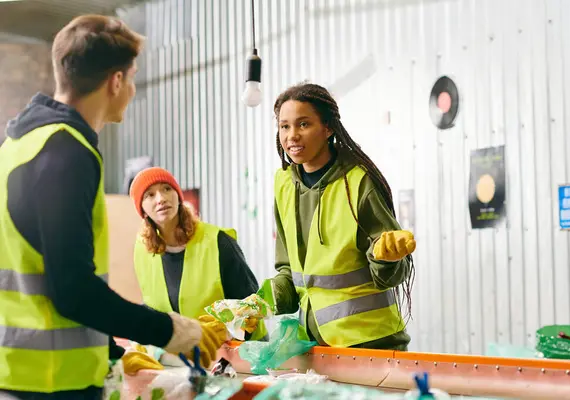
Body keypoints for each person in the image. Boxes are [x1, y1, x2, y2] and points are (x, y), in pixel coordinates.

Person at [0, 15, 222, 400]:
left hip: (19, 372)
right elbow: (72, 288)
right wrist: (169, 331)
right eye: (132, 76)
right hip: (52, 382)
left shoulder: (19, 146)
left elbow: (39, 268)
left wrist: (113, 352)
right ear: (115, 81)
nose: (132, 88)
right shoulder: (66, 152)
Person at [268, 82, 417, 350]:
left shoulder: (359, 182)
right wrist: (266, 299)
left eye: (303, 124)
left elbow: (393, 274)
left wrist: (387, 258)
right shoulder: (283, 184)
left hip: (371, 344)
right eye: (284, 126)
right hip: (315, 347)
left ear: (328, 128)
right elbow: (288, 269)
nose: (292, 135)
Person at [129, 167, 267, 341]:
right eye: (150, 194)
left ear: (178, 196)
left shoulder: (219, 242)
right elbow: (152, 308)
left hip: (238, 355)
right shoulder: (143, 251)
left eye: (166, 188)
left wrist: (223, 331)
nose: (161, 199)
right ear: (141, 208)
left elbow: (252, 306)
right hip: (180, 359)